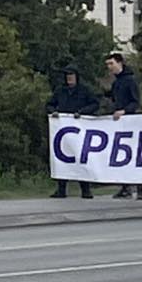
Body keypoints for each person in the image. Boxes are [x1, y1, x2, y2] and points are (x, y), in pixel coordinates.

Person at [45, 67, 99, 199]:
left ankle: (85, 189)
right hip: (64, 130)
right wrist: (53, 112)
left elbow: (94, 104)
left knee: (81, 158)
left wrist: (82, 112)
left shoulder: (84, 90)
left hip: (80, 129)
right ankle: (61, 189)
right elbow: (49, 104)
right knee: (62, 158)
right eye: (67, 76)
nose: (69, 78)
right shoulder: (60, 91)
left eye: (72, 76)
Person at [104, 52, 142, 201]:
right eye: (107, 65)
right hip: (119, 124)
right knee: (122, 155)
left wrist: (124, 111)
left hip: (131, 123)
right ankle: (125, 187)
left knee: (136, 155)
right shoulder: (116, 83)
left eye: (111, 64)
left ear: (120, 63)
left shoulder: (130, 80)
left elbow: (135, 102)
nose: (109, 67)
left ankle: (140, 188)